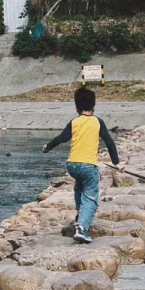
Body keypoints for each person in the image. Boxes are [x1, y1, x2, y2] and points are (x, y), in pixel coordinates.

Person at [43, 85, 119, 242]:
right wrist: (117, 163)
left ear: (77, 108)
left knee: (79, 187)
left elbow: (61, 138)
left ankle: (79, 215)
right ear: (94, 107)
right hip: (88, 165)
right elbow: (110, 144)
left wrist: (47, 147)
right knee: (90, 197)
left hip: (72, 165)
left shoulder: (74, 122)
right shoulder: (98, 122)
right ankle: (82, 228)